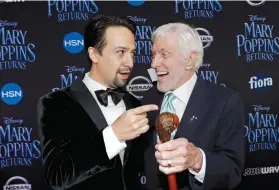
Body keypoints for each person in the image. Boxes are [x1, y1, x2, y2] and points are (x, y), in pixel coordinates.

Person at [37, 15, 158, 190]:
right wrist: (113, 135)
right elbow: (57, 175)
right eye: (120, 52)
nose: (130, 62)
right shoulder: (56, 103)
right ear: (94, 54)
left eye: (132, 53)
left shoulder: (136, 104)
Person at [141, 23, 245, 190]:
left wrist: (197, 160)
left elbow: (232, 171)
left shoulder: (224, 101)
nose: (154, 64)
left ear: (189, 60)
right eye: (153, 55)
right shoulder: (148, 98)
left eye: (164, 55)